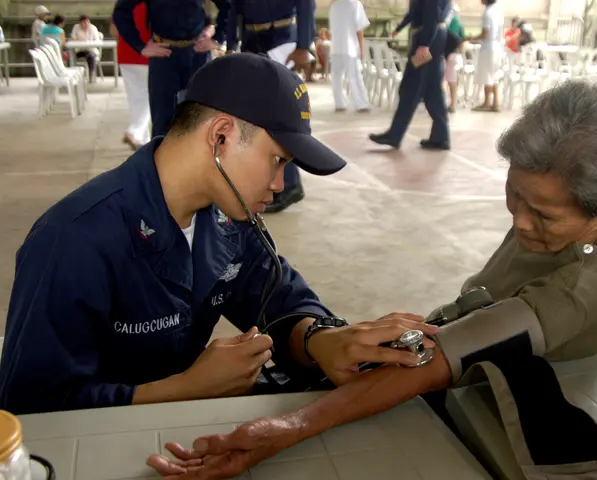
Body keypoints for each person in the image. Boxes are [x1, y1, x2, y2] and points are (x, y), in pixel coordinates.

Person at [146, 77, 597, 479]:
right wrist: (323, 338)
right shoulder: (558, 220)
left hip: (492, 392)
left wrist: (285, 426)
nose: (522, 222)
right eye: (516, 196)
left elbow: (448, 355)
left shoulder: (576, 290)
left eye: (545, 216)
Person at [0, 53, 437, 416]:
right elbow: (31, 405)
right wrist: (185, 389)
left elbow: (280, 298)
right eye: (278, 160)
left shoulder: (228, 221)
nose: (280, 186)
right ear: (221, 136)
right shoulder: (73, 239)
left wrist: (320, 339)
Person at [225, 1, 316, 214]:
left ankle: (291, 184)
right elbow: (233, 7)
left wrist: (303, 45)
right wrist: (230, 44)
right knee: (255, 118)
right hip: (250, 42)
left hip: (283, 42)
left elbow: (306, 5)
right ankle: (265, 182)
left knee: (282, 116)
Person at [112, 0, 230, 139]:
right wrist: (140, 46)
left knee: (201, 117)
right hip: (164, 56)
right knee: (162, 121)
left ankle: (200, 159)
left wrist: (218, 39)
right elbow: (121, 12)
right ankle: (162, 159)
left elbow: (228, 5)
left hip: (197, 54)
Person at [369, 0, 452, 151]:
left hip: (427, 41)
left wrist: (425, 44)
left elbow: (431, 13)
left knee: (410, 87)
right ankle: (441, 137)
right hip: (433, 38)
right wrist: (400, 27)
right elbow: (417, 11)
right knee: (433, 91)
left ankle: (394, 135)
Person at [110, 2, 152, 150]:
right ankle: (134, 131)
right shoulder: (153, 4)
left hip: (125, 55)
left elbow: (114, 30)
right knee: (149, 97)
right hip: (149, 54)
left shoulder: (123, 4)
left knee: (136, 99)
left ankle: (143, 140)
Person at [328, 0, 371, 113]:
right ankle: (361, 104)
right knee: (355, 76)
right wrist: (361, 48)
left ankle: (339, 103)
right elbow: (359, 29)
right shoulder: (355, 4)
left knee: (337, 76)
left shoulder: (334, 6)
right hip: (349, 45)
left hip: (336, 45)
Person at [467, 0, 504, 112]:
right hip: (498, 46)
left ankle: (487, 102)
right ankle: (495, 102)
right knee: (494, 74)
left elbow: (485, 33)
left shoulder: (487, 13)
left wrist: (471, 38)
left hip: (489, 47)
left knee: (487, 75)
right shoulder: (498, 11)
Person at [444, 4, 465, 113]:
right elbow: (462, 41)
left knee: (442, 80)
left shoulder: (445, 21)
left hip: (444, 54)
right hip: (455, 55)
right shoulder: (459, 23)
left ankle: (442, 103)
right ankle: (452, 104)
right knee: (452, 80)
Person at [71, 15, 101, 83]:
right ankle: (73, 76)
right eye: (83, 22)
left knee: (91, 56)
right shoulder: (76, 27)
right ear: (80, 22)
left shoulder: (93, 28)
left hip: (91, 50)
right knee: (71, 56)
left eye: (87, 22)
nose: (85, 24)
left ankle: (91, 75)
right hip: (80, 50)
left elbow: (97, 40)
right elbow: (72, 38)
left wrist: (88, 42)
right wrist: (79, 41)